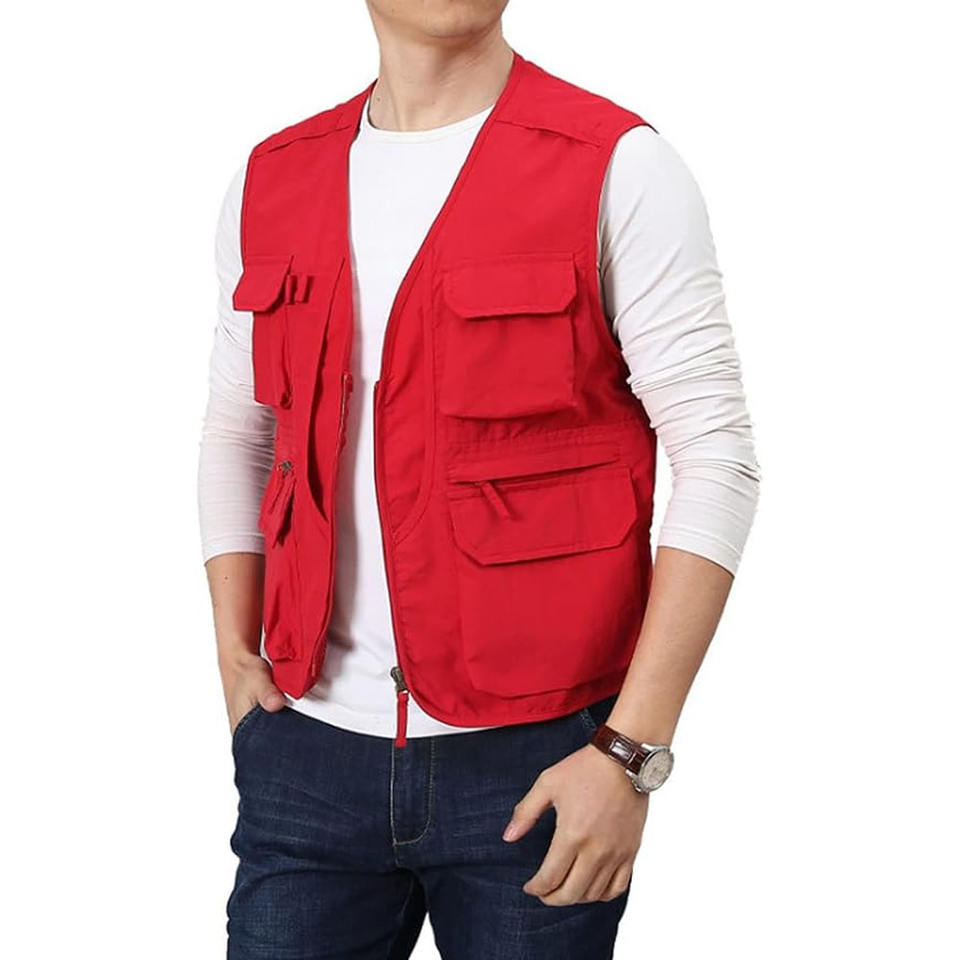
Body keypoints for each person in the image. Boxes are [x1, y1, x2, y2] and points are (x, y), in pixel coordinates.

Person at [198, 3, 760, 957]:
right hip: (305, 749)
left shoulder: (618, 166)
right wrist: (232, 653)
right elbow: (240, 432)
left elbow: (717, 456)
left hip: (545, 760)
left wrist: (628, 754)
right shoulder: (272, 177)